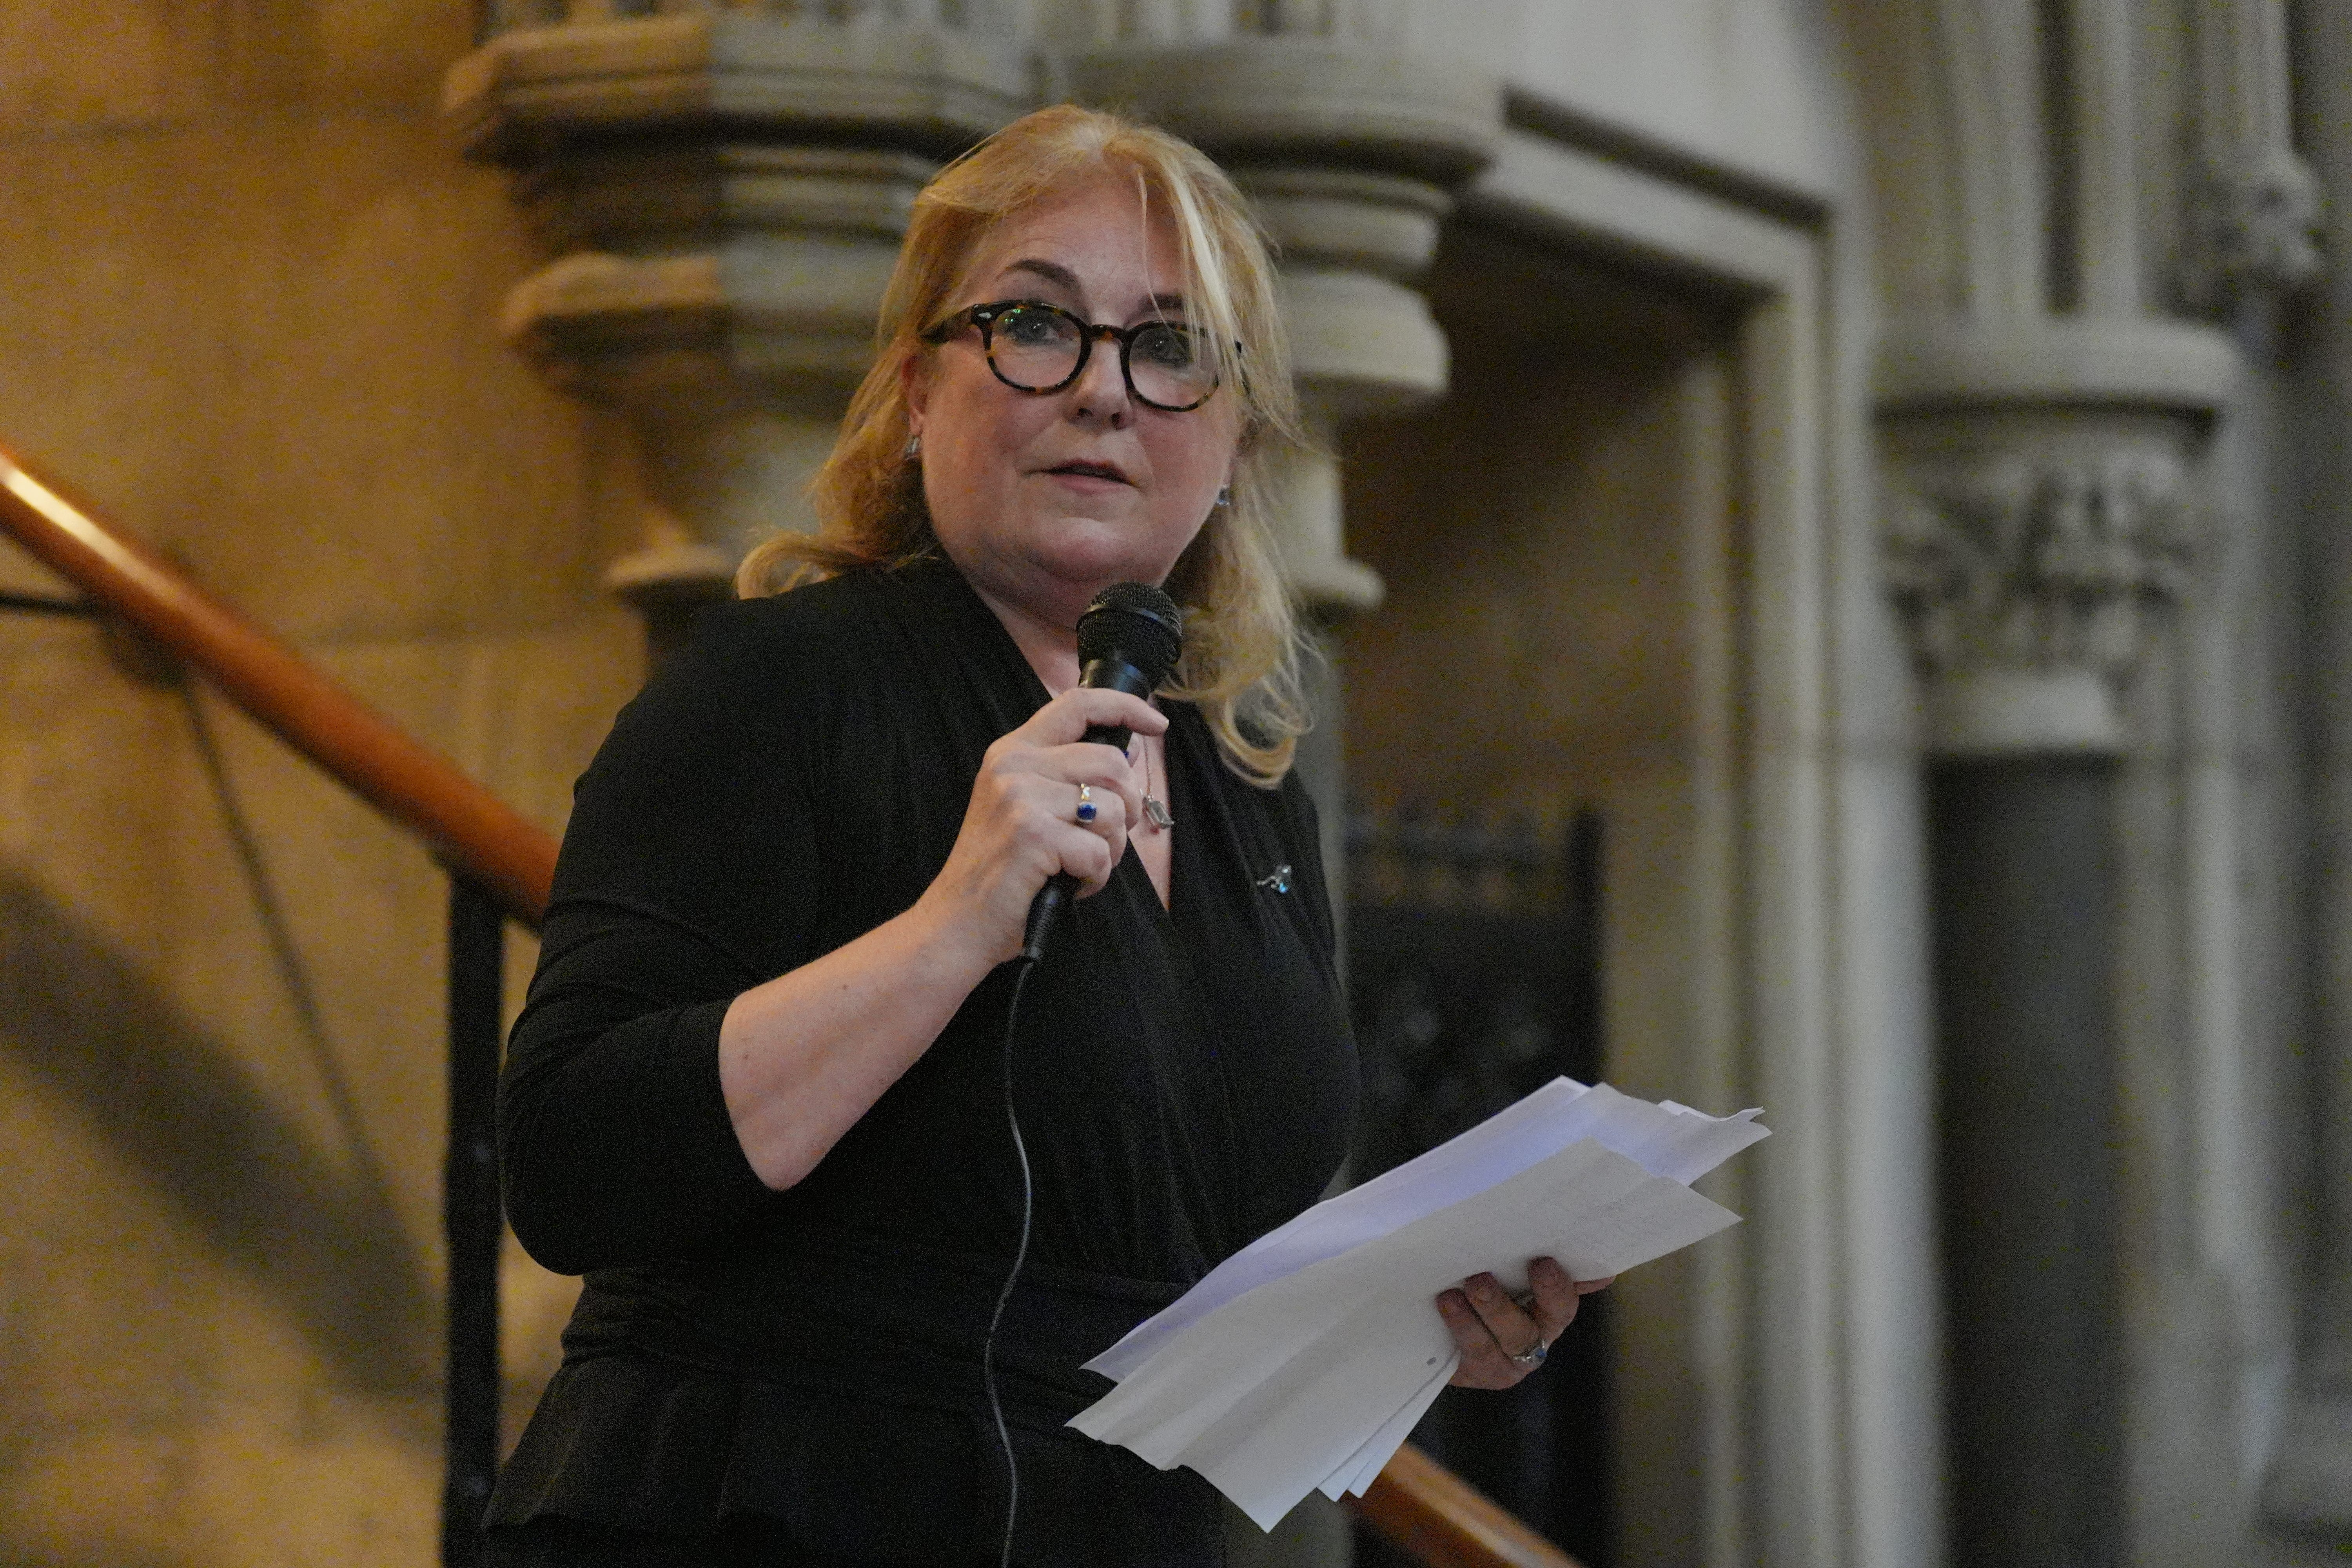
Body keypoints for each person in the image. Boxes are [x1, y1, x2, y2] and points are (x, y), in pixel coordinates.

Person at [480, 104, 1605, 1568]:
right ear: (916, 391)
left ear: (1235, 438)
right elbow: (573, 1164)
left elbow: (1158, 1261)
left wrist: (1414, 1327)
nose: (1103, 392)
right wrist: (958, 922)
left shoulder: (1237, 779)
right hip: (765, 1506)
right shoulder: (786, 686)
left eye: (1169, 345)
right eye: (1034, 325)